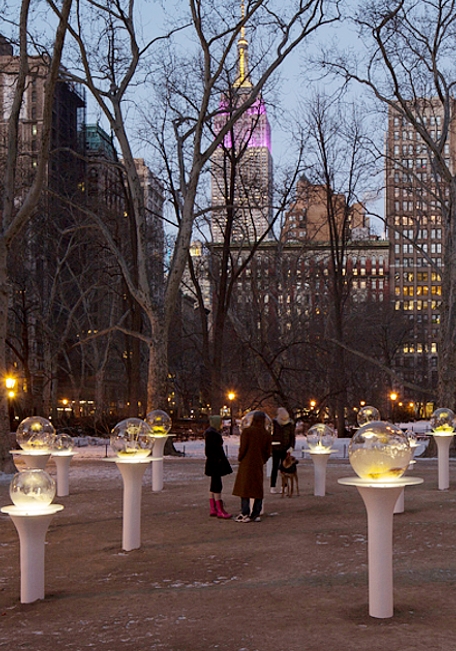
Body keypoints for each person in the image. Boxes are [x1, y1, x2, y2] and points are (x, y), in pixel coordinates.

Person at [232, 411, 271, 523]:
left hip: (247, 462)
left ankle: (245, 512)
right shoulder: (266, 434)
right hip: (258, 463)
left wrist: (241, 458)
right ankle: (256, 513)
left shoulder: (247, 432)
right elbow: (268, 451)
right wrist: (262, 460)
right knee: (257, 488)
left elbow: (243, 448)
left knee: (245, 488)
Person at [204, 415, 232, 519]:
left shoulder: (209, 434)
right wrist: (219, 460)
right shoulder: (214, 435)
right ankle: (219, 509)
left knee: (213, 485)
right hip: (216, 463)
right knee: (217, 486)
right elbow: (214, 451)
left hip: (212, 463)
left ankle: (213, 508)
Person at [270, 407, 295, 494]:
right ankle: (272, 486)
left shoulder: (290, 424)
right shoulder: (274, 423)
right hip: (276, 449)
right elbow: (270, 435)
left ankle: (284, 486)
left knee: (285, 468)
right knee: (275, 467)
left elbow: (292, 437)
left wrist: (291, 447)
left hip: (286, 449)